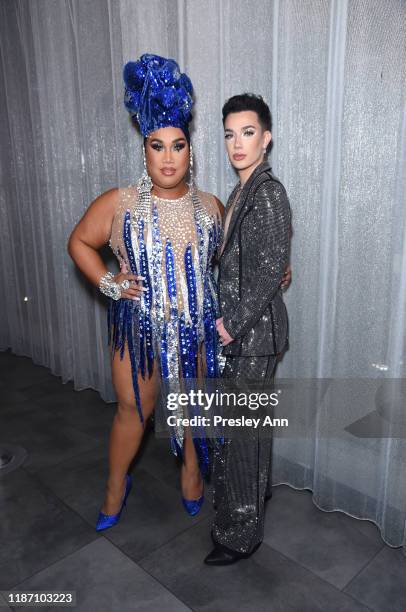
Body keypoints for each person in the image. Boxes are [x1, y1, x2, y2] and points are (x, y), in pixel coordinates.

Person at [68, 54, 224, 530]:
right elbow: (79, 242)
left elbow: (230, 264)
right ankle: (116, 486)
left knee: (193, 400)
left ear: (190, 151)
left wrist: (275, 270)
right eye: (158, 146)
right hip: (138, 328)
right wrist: (110, 283)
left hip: (195, 328)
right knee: (134, 409)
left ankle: (192, 473)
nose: (169, 156)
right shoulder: (120, 202)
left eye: (178, 145)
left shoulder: (212, 206)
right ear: (145, 150)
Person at [204, 93, 292, 565]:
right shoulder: (241, 191)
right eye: (230, 134)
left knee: (241, 437)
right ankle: (251, 500)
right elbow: (255, 263)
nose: (237, 144)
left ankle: (240, 535)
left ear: (266, 138)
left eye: (248, 132)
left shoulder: (269, 192)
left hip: (253, 337)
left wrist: (231, 326)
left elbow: (271, 267)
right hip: (246, 336)